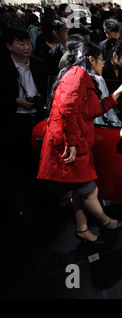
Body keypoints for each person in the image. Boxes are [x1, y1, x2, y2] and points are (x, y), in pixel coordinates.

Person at [37, 42, 122, 244]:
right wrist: (72, 143)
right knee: (90, 191)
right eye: (101, 59)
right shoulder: (78, 76)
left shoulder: (80, 76)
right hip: (73, 145)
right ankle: (106, 221)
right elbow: (67, 110)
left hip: (77, 142)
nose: (103, 62)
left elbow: (94, 110)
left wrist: (117, 92)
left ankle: (82, 228)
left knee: (78, 190)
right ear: (91, 59)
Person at [0, 27, 49, 219]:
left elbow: (48, 88)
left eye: (28, 42)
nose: (27, 46)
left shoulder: (39, 65)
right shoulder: (3, 67)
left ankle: (41, 190)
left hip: (37, 117)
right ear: (9, 46)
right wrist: (15, 99)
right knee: (20, 160)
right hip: (14, 120)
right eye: (21, 43)